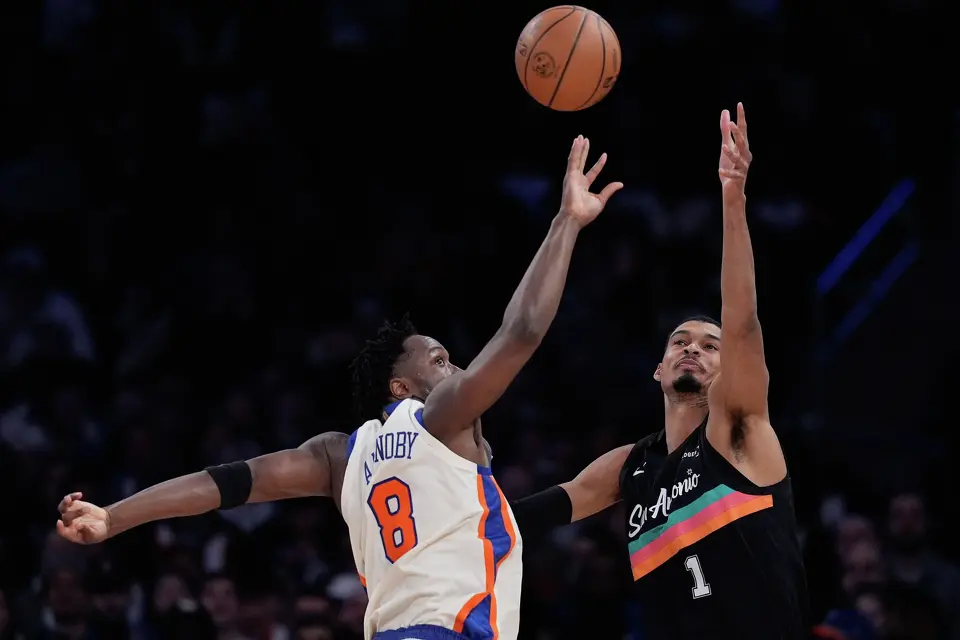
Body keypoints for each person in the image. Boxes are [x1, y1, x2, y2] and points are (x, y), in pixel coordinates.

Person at [55, 135, 630, 640]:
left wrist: (114, 517)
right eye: (440, 360)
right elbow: (521, 331)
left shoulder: (340, 456)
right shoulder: (439, 417)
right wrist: (565, 223)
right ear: (401, 386)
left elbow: (225, 483)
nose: (455, 370)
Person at [616, 104, 808, 639]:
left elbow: (742, 321)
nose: (692, 350)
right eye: (680, 342)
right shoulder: (634, 465)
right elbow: (544, 506)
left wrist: (733, 198)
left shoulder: (740, 428)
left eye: (710, 346)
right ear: (658, 369)